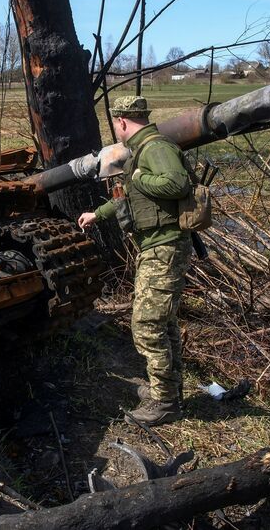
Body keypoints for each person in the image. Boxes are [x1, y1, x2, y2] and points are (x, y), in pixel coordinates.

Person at [78, 95, 193, 426]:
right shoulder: (143, 149)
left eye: (116, 124)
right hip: (156, 247)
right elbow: (129, 197)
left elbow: (177, 182)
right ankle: (167, 390)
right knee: (163, 323)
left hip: (164, 248)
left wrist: (141, 177)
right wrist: (98, 214)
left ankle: (165, 403)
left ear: (122, 121)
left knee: (147, 325)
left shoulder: (155, 148)